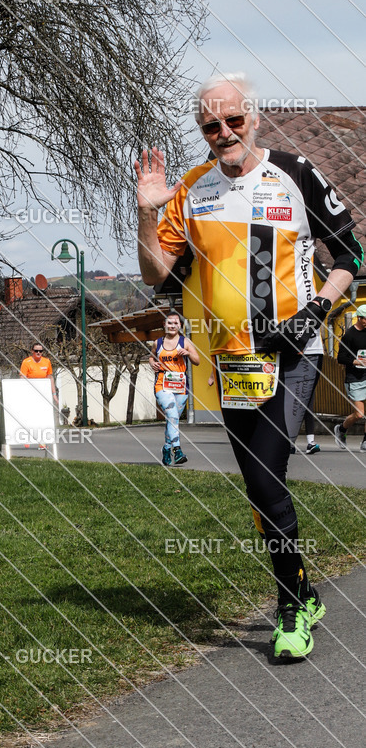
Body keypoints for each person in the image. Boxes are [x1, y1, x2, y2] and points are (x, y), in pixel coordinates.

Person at [135, 72, 363, 661]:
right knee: (262, 492)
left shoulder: (293, 170)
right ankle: (303, 587)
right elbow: (156, 276)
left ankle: (290, 610)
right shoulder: (191, 189)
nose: (224, 132)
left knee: (265, 477)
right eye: (211, 124)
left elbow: (351, 254)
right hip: (229, 361)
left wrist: (313, 310)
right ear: (202, 129)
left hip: (292, 354)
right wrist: (145, 213)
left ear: (253, 117)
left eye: (234, 120)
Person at [150, 313, 200, 465]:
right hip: (162, 384)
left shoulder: (185, 342)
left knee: (173, 419)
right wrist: (152, 363)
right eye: (169, 323)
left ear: (180, 325)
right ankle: (177, 450)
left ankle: (166, 448)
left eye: (175, 323)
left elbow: (197, 361)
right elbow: (151, 357)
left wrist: (188, 353)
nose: (172, 326)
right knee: (171, 414)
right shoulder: (157, 343)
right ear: (164, 325)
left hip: (180, 385)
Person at [334, 304, 366, 451]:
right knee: (359, 414)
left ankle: (365, 442)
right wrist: (356, 361)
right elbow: (340, 358)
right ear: (359, 318)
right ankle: (341, 429)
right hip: (355, 377)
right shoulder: (349, 335)